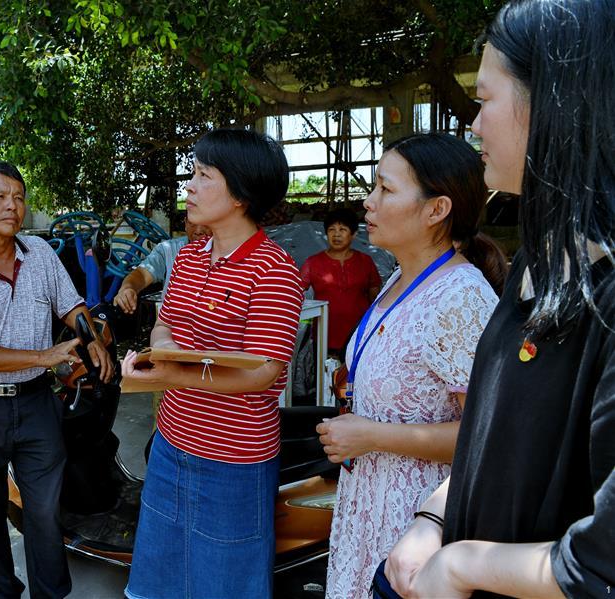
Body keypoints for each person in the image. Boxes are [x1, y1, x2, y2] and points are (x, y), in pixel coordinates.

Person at [385, 2, 615, 597]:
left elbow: (601, 561)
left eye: (484, 101)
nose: (474, 126)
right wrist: (434, 517)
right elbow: (494, 438)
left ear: (558, 105)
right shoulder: (541, 261)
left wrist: (461, 564)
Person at [316, 133, 504, 598]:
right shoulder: (401, 277)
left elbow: (489, 439)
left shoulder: (460, 297)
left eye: (385, 188)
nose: (369, 201)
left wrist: (374, 435)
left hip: (416, 523)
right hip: (368, 506)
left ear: (436, 209)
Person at [120, 129, 304, 598]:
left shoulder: (274, 269)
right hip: (171, 443)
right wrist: (159, 353)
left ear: (240, 194)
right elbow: (165, 324)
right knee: (161, 580)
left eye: (204, 175)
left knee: (224, 583)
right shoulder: (187, 258)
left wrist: (174, 373)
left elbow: (262, 371)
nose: (190, 186)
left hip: (234, 460)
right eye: (194, 173)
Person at [0, 160, 114, 599]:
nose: (12, 206)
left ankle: (49, 594)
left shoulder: (39, 254)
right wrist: (44, 356)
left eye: (18, 197)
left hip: (36, 403)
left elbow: (71, 306)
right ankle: (5, 590)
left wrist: (90, 338)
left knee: (45, 511)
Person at [300, 208, 381, 355]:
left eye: (342, 229)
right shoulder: (313, 263)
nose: (336, 234)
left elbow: (376, 297)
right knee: (323, 369)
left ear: (354, 234)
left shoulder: (365, 261)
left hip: (359, 333)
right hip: (324, 334)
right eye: (331, 229)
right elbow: (296, 292)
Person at [112, 215, 211, 314]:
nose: (198, 231)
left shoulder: (220, 258)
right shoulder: (168, 250)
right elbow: (142, 274)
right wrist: (128, 288)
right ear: (185, 224)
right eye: (192, 223)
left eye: (206, 223)